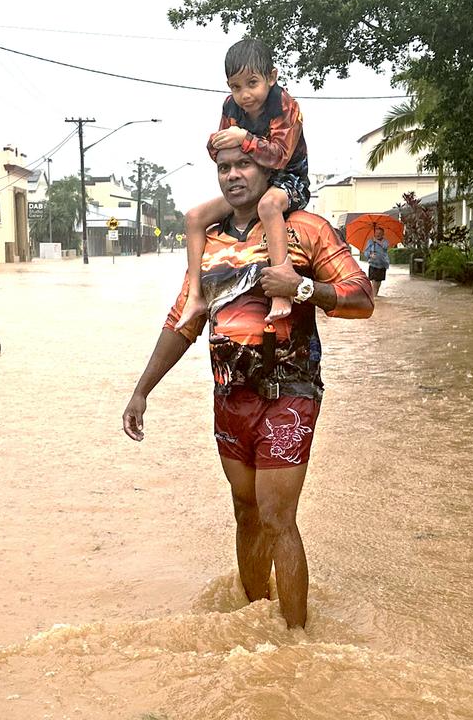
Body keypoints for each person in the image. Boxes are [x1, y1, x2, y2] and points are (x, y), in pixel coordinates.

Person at [122, 145, 374, 629]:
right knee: (246, 512)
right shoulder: (207, 241)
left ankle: (297, 641)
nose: (233, 175)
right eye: (224, 167)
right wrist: (142, 390)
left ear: (268, 169)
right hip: (229, 396)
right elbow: (183, 321)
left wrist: (302, 288)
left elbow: (361, 298)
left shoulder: (305, 229)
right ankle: (255, 619)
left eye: (244, 165)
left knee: (278, 517)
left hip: (289, 393)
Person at [175, 38, 310, 330]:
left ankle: (281, 288)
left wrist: (243, 139)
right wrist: (225, 141)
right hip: (252, 183)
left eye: (252, 83)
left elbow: (279, 156)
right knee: (194, 217)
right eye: (236, 87)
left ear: (271, 77)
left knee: (269, 204)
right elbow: (218, 150)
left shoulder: (285, 106)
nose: (245, 94)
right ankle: (196, 295)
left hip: (288, 179)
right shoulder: (231, 107)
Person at [364, 227, 390, 296]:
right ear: (374, 233)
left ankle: (375, 295)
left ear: (383, 234)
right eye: (376, 233)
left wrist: (377, 241)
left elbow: (385, 247)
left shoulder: (385, 241)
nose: (378, 235)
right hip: (373, 264)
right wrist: (370, 255)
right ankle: (374, 297)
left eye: (380, 233)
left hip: (382, 265)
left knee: (378, 283)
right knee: (374, 282)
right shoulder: (370, 242)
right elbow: (365, 253)